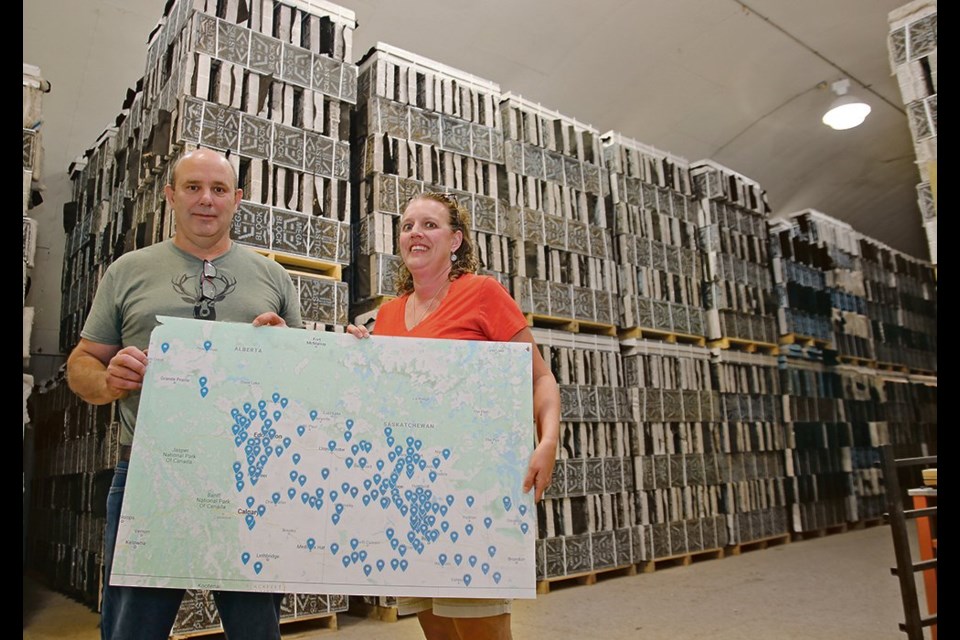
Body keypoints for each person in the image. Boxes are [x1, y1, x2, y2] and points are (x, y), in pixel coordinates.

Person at [66, 147, 302, 640]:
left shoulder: (274, 278)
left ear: (237, 200)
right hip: (151, 474)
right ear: (171, 195)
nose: (206, 201)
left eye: (218, 190)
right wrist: (109, 380)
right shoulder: (127, 271)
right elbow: (80, 363)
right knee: (135, 627)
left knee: (256, 628)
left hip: (249, 477)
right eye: (193, 188)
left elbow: (304, 387)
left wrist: (286, 352)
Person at [347, 192, 561, 640]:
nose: (415, 234)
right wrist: (356, 359)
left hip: (473, 495)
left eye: (429, 225)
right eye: (407, 226)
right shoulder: (385, 317)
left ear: (456, 239)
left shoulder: (482, 293)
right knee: (438, 631)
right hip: (413, 502)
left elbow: (540, 378)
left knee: (481, 630)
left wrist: (547, 441)